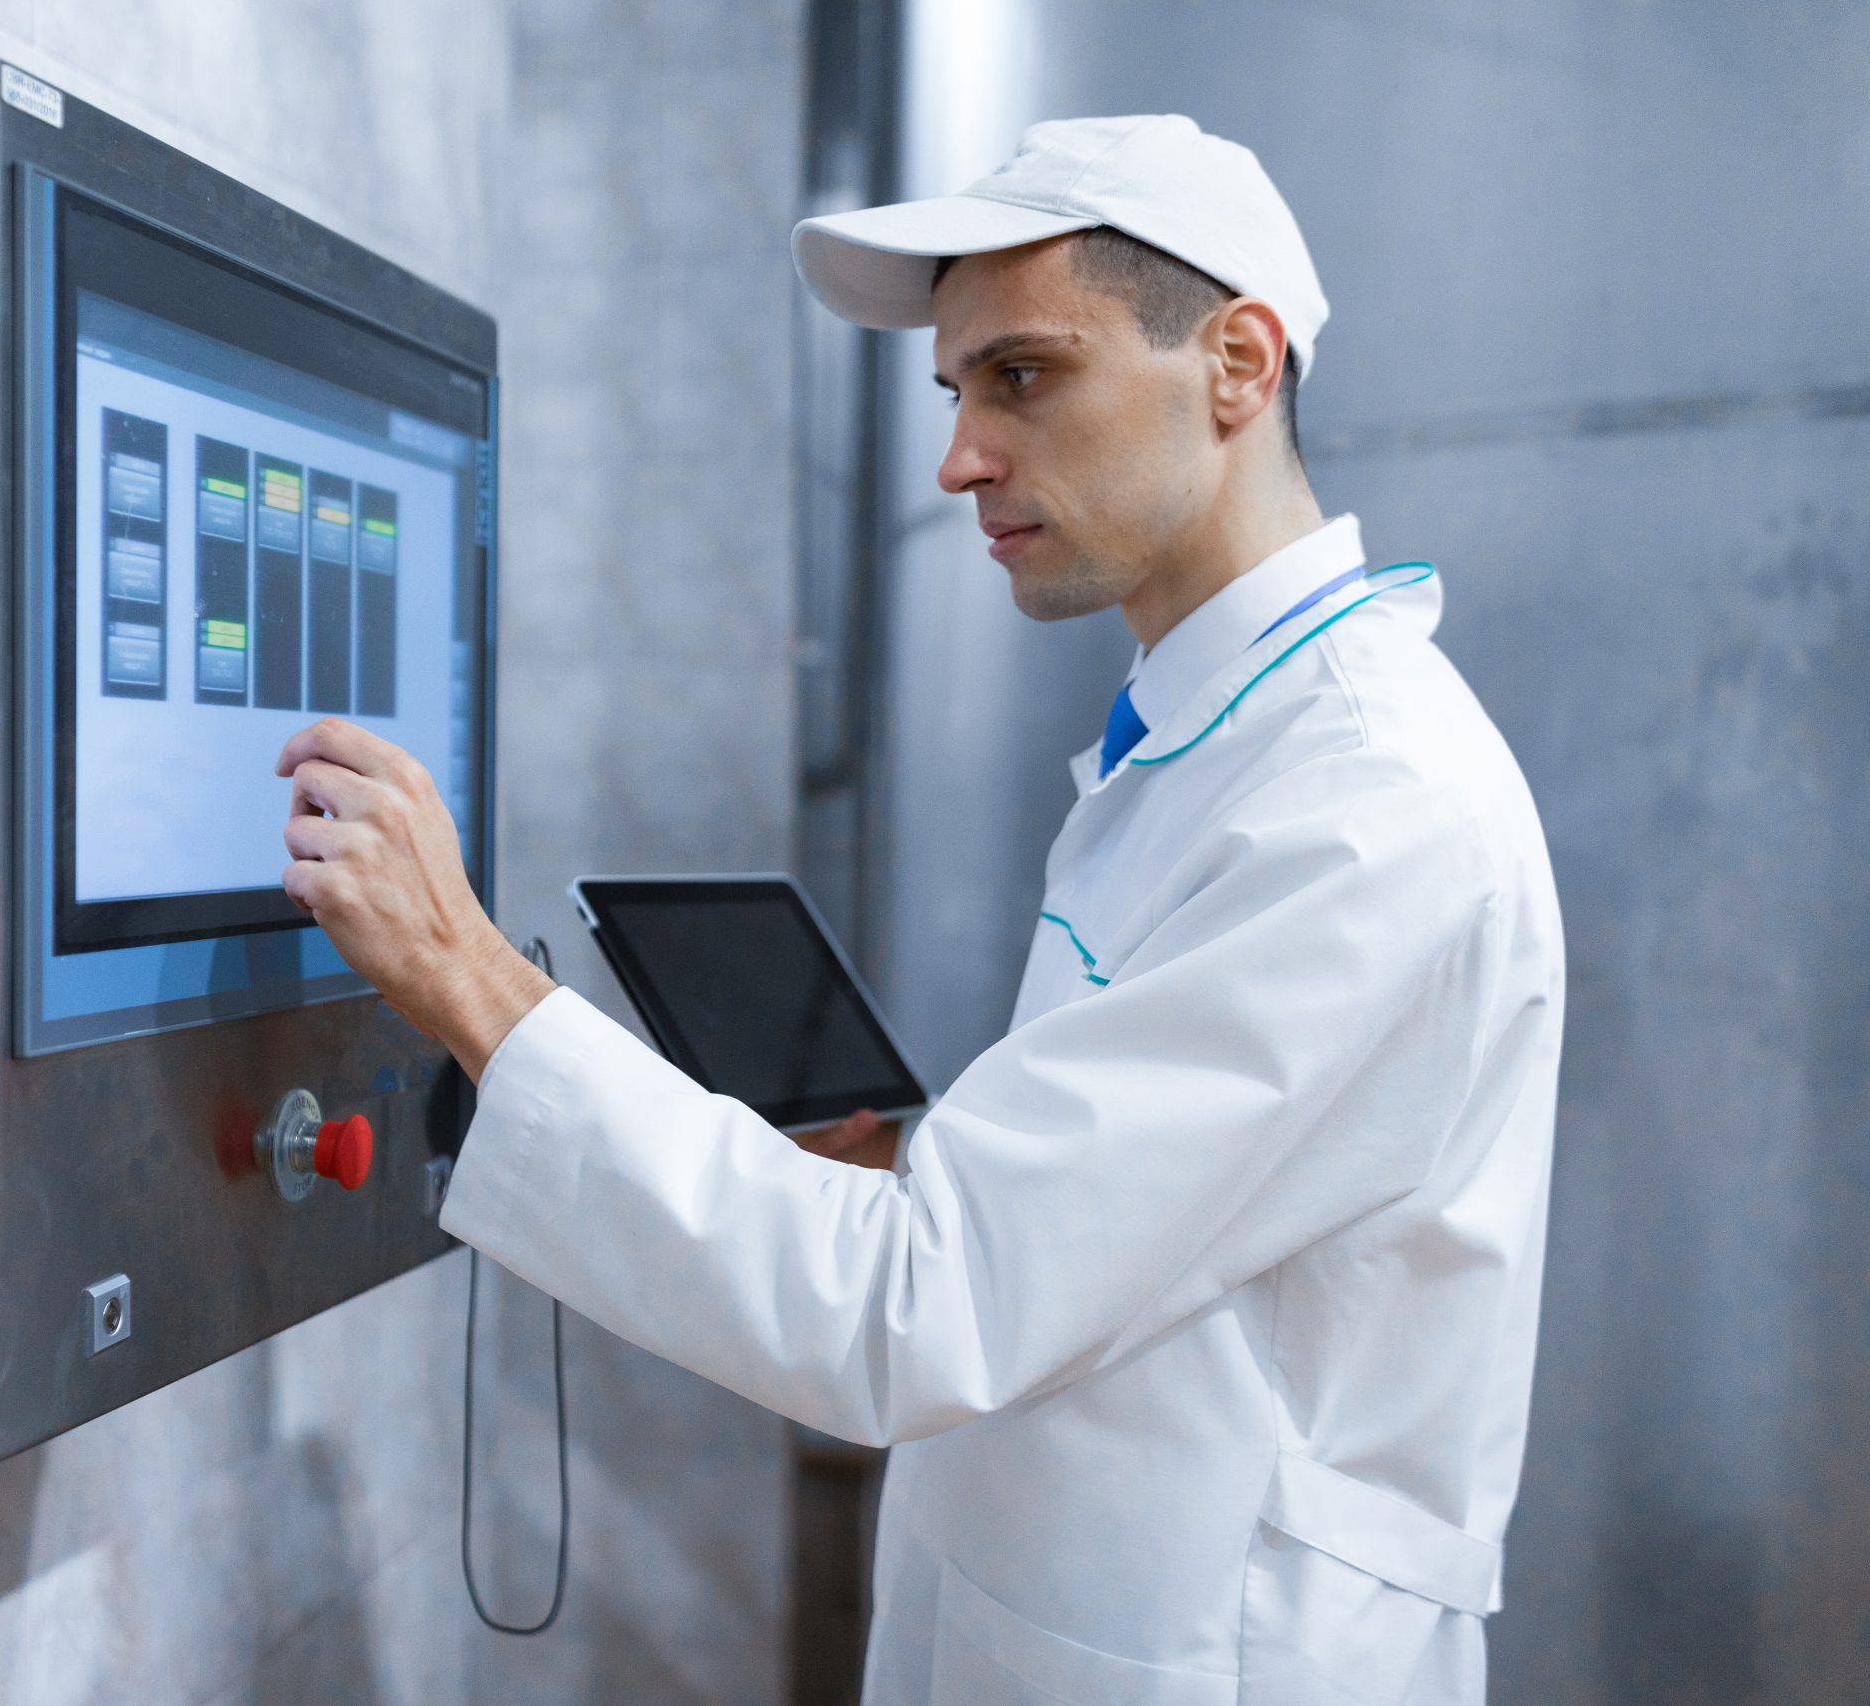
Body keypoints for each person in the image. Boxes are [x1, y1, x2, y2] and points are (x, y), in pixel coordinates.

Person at [274, 114, 1563, 1706]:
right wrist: (914, 1171)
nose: (958, 459)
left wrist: (465, 974)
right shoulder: (1219, 747)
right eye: (957, 392)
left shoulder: (1364, 805)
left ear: (1237, 364)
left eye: (1023, 375)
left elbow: (920, 1309)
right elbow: (1148, 1224)